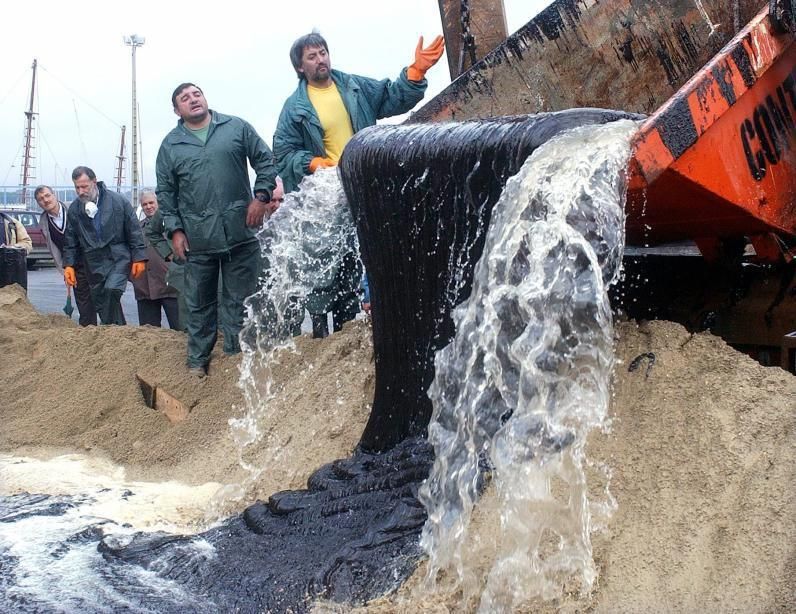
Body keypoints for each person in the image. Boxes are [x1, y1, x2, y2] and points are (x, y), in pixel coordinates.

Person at [273, 31, 444, 337]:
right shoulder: (294, 107)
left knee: (364, 256)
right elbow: (283, 153)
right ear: (300, 67)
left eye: (323, 52)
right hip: (328, 194)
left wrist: (415, 72)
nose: (320, 59)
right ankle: (321, 331)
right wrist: (310, 162)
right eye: (311, 56)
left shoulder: (353, 86)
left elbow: (392, 97)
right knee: (326, 263)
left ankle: (352, 327)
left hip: (363, 184)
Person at [156, 83, 279, 377]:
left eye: (196, 94)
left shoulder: (236, 128)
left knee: (240, 301)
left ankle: (237, 360)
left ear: (205, 98)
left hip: (240, 231)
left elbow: (265, 160)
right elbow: (166, 193)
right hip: (198, 240)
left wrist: (261, 198)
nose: (193, 100)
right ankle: (198, 361)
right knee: (199, 304)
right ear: (177, 110)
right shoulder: (171, 145)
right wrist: (175, 231)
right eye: (184, 99)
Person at [62, 166, 147, 325]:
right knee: (101, 299)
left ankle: (113, 330)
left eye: (84, 186)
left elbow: (134, 231)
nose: (81, 191)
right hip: (93, 261)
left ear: (94, 181)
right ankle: (116, 332)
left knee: (112, 289)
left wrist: (139, 257)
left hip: (118, 256)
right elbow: (71, 239)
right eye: (77, 187)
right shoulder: (75, 209)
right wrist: (69, 265)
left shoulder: (118, 201)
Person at [34, 185, 97, 326]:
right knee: (84, 307)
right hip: (74, 267)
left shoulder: (76, 209)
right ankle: (89, 337)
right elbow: (55, 249)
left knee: (106, 301)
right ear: (38, 203)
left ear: (54, 195)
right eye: (41, 199)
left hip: (94, 262)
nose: (45, 200)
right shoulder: (44, 223)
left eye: (47, 195)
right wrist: (65, 270)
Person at [131, 190, 180, 328]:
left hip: (171, 287)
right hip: (144, 289)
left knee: (180, 330)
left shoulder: (173, 226)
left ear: (158, 203)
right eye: (144, 204)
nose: (148, 206)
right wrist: (133, 277)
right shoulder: (136, 229)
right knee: (149, 334)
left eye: (151, 202)